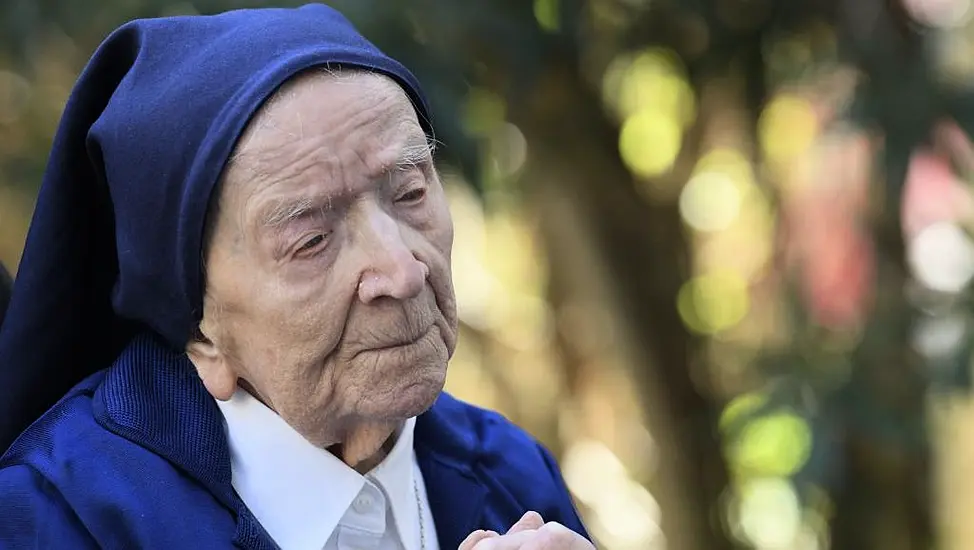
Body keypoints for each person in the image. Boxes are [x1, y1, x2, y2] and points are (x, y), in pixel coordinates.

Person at [0, 5, 595, 550]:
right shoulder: (51, 522)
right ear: (200, 333)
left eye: (411, 192)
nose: (402, 270)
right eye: (311, 241)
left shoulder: (510, 473)